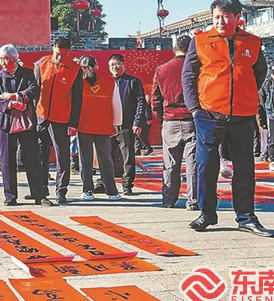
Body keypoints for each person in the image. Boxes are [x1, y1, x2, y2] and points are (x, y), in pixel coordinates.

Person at [183, 0, 271, 236]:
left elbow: (259, 73)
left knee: (244, 168)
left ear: (237, 17)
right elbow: (188, 75)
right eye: (216, 17)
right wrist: (194, 108)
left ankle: (246, 217)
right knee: (206, 166)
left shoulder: (252, 42)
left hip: (242, 115)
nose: (220, 21)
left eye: (225, 17)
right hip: (209, 114)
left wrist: (244, 94)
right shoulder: (200, 41)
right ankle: (207, 214)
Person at [0, 44, 52, 207]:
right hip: (6, 124)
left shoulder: (27, 74)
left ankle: (39, 194)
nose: (3, 63)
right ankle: (10, 196)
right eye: (1, 59)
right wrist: (12, 104)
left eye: (6, 59)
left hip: (26, 122)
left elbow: (34, 91)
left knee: (33, 158)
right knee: (7, 160)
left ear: (15, 58)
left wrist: (15, 96)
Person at [34, 37, 83, 204]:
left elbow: (77, 99)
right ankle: (41, 190)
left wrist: (74, 123)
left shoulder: (75, 69)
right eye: (57, 54)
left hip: (62, 118)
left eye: (63, 55)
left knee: (62, 155)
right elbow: (35, 90)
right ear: (52, 49)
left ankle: (61, 190)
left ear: (69, 53)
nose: (59, 58)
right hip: (41, 115)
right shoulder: (41, 63)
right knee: (40, 154)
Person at [152, 35, 198, 210]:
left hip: (170, 119)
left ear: (174, 49)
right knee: (193, 163)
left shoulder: (162, 69)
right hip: (192, 118)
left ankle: (169, 199)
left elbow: (155, 98)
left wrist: (161, 117)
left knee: (170, 163)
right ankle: (193, 200)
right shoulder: (197, 68)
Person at [69, 55, 123, 201]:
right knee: (105, 159)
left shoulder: (79, 80)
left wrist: (72, 123)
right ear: (96, 64)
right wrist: (116, 124)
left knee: (85, 160)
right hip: (103, 124)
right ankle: (112, 191)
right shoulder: (109, 79)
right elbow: (116, 103)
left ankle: (87, 190)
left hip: (84, 124)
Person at [108, 53, 147, 195]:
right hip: (108, 126)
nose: (114, 67)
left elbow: (141, 102)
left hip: (126, 125)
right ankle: (106, 182)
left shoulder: (133, 82)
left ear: (123, 65)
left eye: (117, 64)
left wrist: (138, 121)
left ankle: (127, 184)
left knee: (127, 156)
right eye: (112, 65)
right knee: (107, 156)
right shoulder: (106, 82)